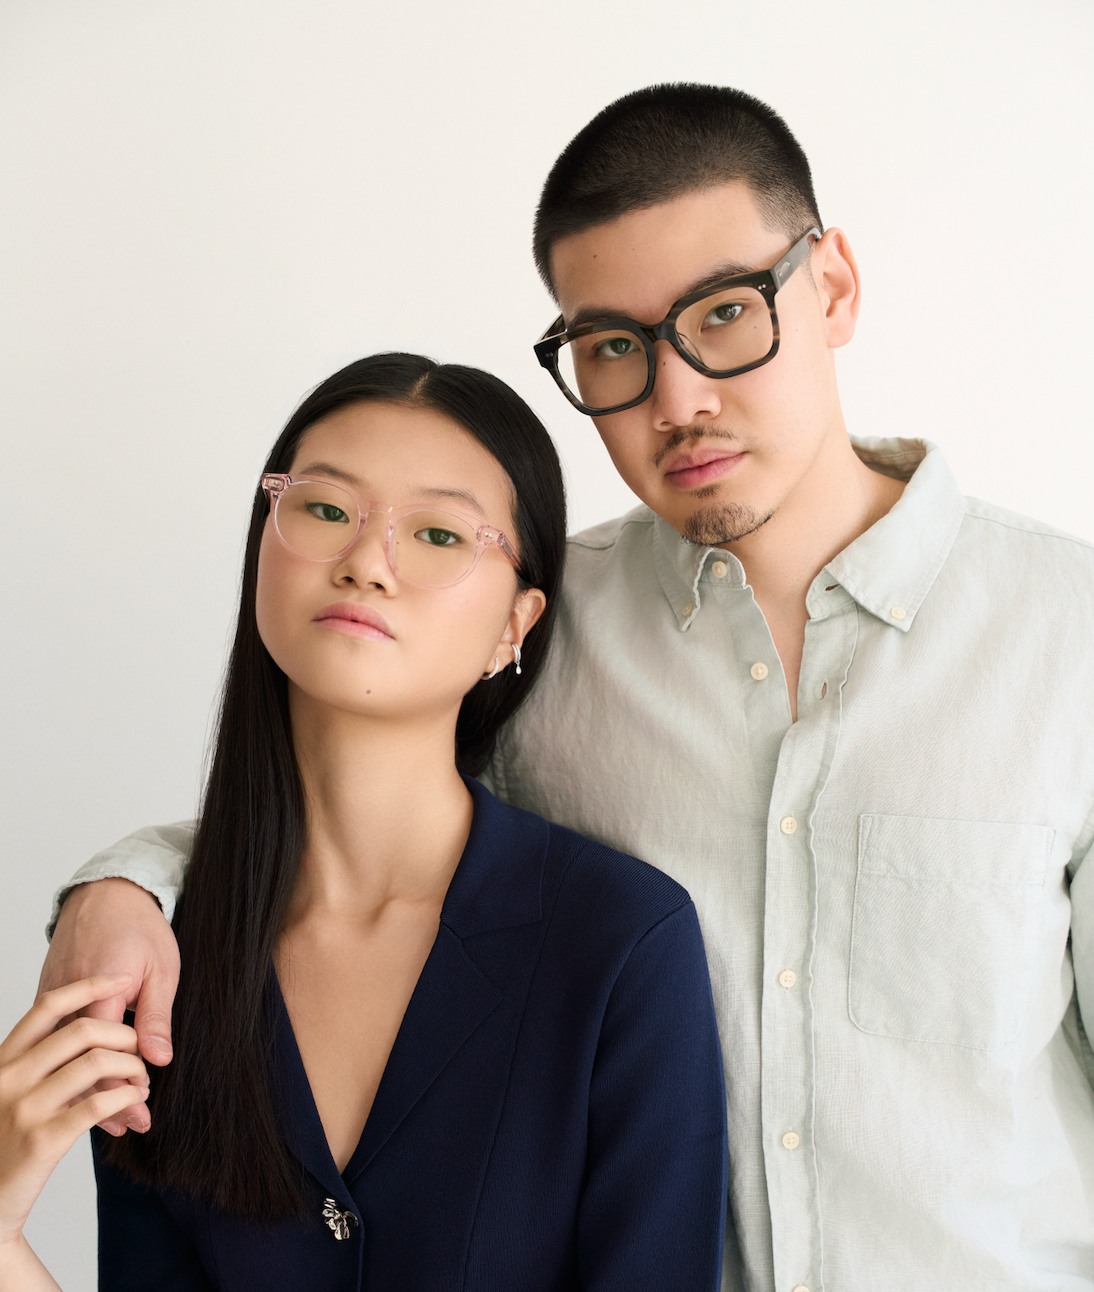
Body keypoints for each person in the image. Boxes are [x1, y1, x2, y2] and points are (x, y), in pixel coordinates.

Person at [38, 83, 1094, 1290]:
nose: (675, 395)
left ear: (833, 286)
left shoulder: (1068, 637)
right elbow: (344, 822)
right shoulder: (538, 624)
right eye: (611, 346)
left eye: (725, 312)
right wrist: (122, 883)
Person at [3, 352, 728, 1291]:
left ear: (519, 621)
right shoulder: (162, 968)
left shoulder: (619, 943)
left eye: (436, 534)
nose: (364, 562)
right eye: (327, 509)